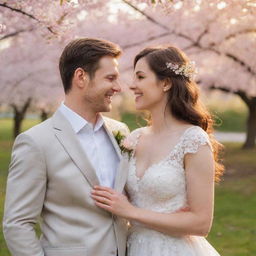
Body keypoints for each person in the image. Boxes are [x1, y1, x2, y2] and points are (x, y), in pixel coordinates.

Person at [91, 45, 225, 256]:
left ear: (165, 83)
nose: (132, 86)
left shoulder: (193, 140)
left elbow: (201, 223)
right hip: (134, 248)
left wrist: (131, 212)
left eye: (140, 77)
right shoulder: (134, 138)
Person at [3, 38, 130, 256]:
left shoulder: (121, 132)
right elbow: (17, 224)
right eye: (110, 78)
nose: (118, 88)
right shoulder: (36, 142)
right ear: (81, 77)